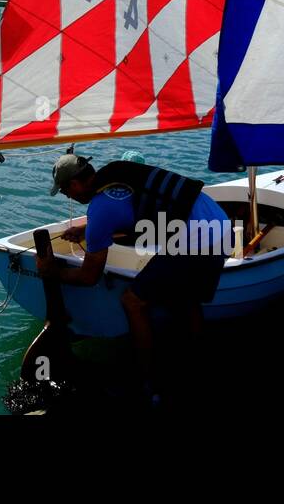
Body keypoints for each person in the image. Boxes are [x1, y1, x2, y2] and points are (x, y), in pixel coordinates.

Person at [36, 150, 230, 405]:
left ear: (73, 184)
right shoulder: (118, 178)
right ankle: (195, 360)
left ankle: (145, 383)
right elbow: (136, 211)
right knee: (185, 297)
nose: (67, 196)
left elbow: (89, 276)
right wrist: (87, 229)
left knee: (133, 301)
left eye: (64, 191)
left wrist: (53, 272)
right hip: (220, 224)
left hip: (196, 241)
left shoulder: (100, 209)